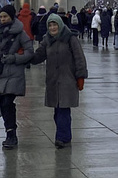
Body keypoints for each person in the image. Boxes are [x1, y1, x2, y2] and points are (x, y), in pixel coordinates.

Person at [30, 12, 88, 148]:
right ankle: (63, 136)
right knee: (57, 112)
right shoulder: (47, 40)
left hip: (67, 80)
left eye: (54, 24)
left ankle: (63, 138)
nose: (52, 28)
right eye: (50, 25)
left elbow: (79, 57)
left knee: (63, 111)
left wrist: (81, 76)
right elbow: (38, 56)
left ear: (60, 25)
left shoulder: (71, 38)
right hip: (53, 81)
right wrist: (24, 56)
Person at [0, 3, 35, 149]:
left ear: (11, 16)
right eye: (1, 17)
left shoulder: (21, 34)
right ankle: (9, 131)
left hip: (14, 73)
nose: (2, 19)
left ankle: (12, 135)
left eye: (5, 16)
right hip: (0, 72)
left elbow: (30, 52)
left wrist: (15, 58)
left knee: (7, 102)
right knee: (4, 105)